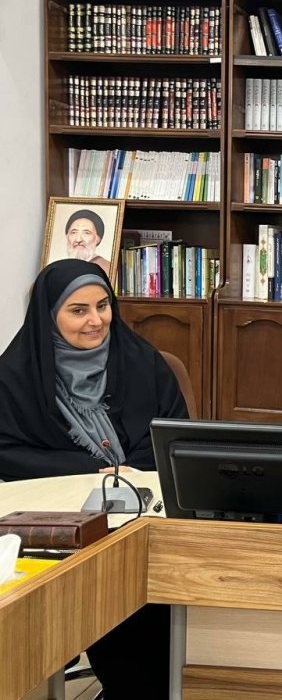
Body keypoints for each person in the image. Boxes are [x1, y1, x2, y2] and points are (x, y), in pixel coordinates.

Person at [0, 259, 187, 699]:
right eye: (78, 310)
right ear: (49, 315)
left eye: (103, 306)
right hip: (58, 525)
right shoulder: (14, 377)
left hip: (147, 519)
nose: (96, 320)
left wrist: (126, 471)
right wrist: (88, 469)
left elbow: (176, 436)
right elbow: (6, 453)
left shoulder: (143, 361)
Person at [65, 209, 111, 276]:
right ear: (67, 236)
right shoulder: (62, 267)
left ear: (98, 239)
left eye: (86, 233)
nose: (78, 239)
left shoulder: (107, 268)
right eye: (74, 232)